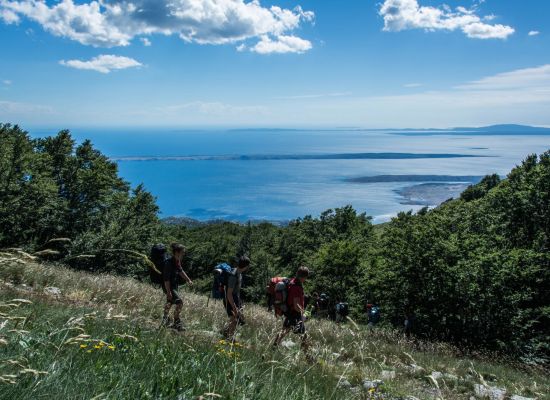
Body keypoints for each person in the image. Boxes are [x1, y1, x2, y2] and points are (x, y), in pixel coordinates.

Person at [273, 266, 310, 353]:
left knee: (284, 331)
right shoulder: (296, 287)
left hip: (290, 312)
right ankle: (308, 356)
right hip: (295, 314)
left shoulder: (292, 281)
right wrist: (303, 314)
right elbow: (296, 304)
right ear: (304, 277)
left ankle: (274, 347)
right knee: (304, 336)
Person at [162, 243, 193, 331]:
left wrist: (188, 280)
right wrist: (168, 292)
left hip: (174, 285)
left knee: (170, 302)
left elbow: (180, 271)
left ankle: (165, 319)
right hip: (169, 286)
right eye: (182, 252)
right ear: (176, 252)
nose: (183, 254)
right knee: (179, 302)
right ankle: (176, 322)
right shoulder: (168, 263)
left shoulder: (177, 261)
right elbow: (166, 279)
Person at [223, 255, 251, 340]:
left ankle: (226, 333)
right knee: (234, 319)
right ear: (246, 266)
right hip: (229, 299)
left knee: (237, 319)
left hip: (235, 298)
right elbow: (229, 294)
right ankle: (229, 338)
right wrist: (234, 307)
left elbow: (236, 291)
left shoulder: (239, 273)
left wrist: (239, 303)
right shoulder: (233, 275)